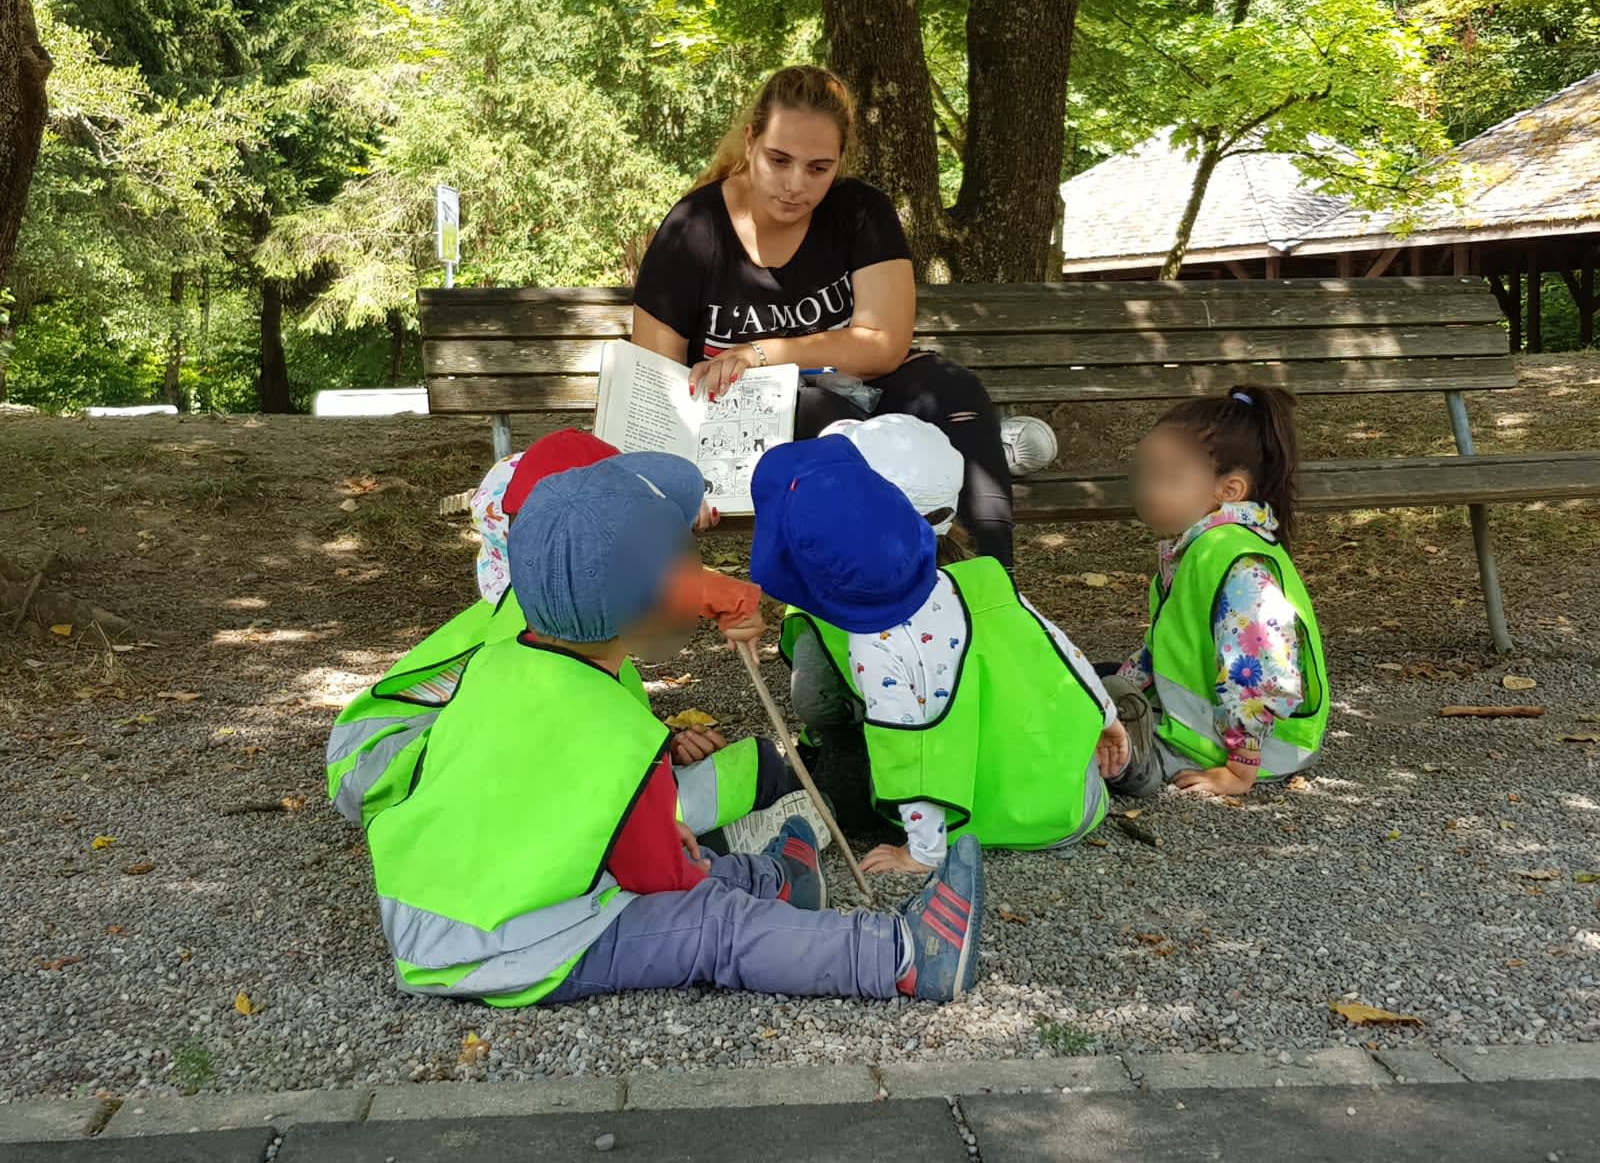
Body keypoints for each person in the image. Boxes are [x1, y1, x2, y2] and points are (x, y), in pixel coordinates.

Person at [351, 451, 987, 1006]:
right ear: (648, 608)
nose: (696, 578)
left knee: (687, 855)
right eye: (685, 565)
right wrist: (669, 848)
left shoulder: (499, 658)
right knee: (713, 923)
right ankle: (902, 956)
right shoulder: (617, 727)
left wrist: (655, 830)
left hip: (444, 904)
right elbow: (659, 880)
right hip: (503, 946)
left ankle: (779, 881)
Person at [629, 63, 1052, 569]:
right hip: (752, 417)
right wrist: (676, 471)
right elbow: (655, 377)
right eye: (778, 160)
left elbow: (883, 345)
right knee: (828, 424)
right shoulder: (695, 227)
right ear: (749, 142)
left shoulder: (860, 212)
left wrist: (761, 353)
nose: (794, 185)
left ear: (840, 162)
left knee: (954, 392)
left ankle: (989, 595)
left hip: (867, 385)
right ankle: (884, 608)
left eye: (818, 168)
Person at [329, 428, 802, 849]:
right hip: (395, 771)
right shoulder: (537, 639)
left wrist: (666, 746)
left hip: (399, 758)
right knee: (753, 769)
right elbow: (577, 746)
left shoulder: (554, 603)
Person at [753, 431, 1125, 875]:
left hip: (976, 822)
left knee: (851, 788)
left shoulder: (874, 644)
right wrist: (1108, 717)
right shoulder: (985, 581)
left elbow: (909, 751)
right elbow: (1063, 652)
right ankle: (1133, 739)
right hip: (1073, 805)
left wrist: (922, 853)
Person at [1105, 385, 1329, 798]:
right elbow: (1165, 649)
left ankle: (1140, 761)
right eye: (1144, 475)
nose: (1147, 490)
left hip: (1259, 749)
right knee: (1090, 687)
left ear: (1228, 491)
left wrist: (1239, 771)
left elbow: (1261, 670)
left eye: (1167, 478)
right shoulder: (1194, 550)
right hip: (1211, 723)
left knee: (1105, 757)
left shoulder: (1232, 558)